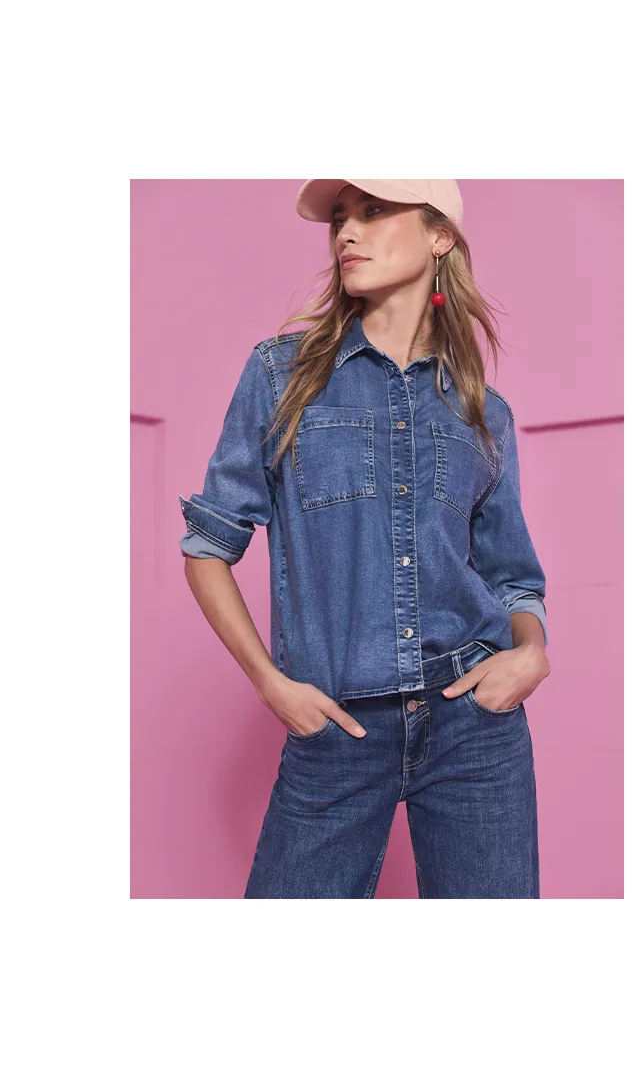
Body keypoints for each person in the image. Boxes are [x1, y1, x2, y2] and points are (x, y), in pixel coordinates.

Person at [179, 179, 550, 899]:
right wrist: (272, 684)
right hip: (336, 727)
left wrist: (529, 653)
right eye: (341, 219)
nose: (347, 232)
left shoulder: (482, 412)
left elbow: (511, 578)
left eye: (374, 211)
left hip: (474, 727)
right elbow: (206, 549)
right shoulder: (281, 375)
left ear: (440, 235)